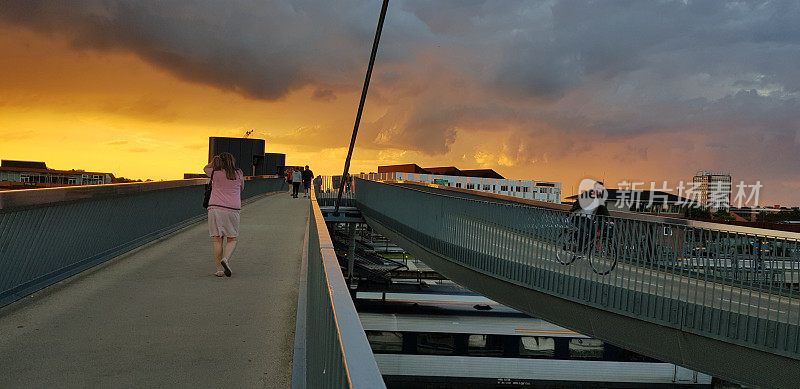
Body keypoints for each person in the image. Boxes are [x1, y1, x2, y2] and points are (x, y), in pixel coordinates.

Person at [204, 152, 244, 277]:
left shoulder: (215, 173)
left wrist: (215, 161)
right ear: (232, 161)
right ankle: (225, 259)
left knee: (217, 239)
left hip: (215, 208)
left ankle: (219, 270)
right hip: (232, 209)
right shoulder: (238, 173)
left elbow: (205, 168)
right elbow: (241, 188)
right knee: (232, 238)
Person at [568, 181, 610, 253]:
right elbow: (577, 203)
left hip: (588, 219)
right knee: (584, 230)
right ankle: (578, 247)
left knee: (594, 233)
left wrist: (609, 219)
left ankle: (582, 246)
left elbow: (604, 210)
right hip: (578, 217)